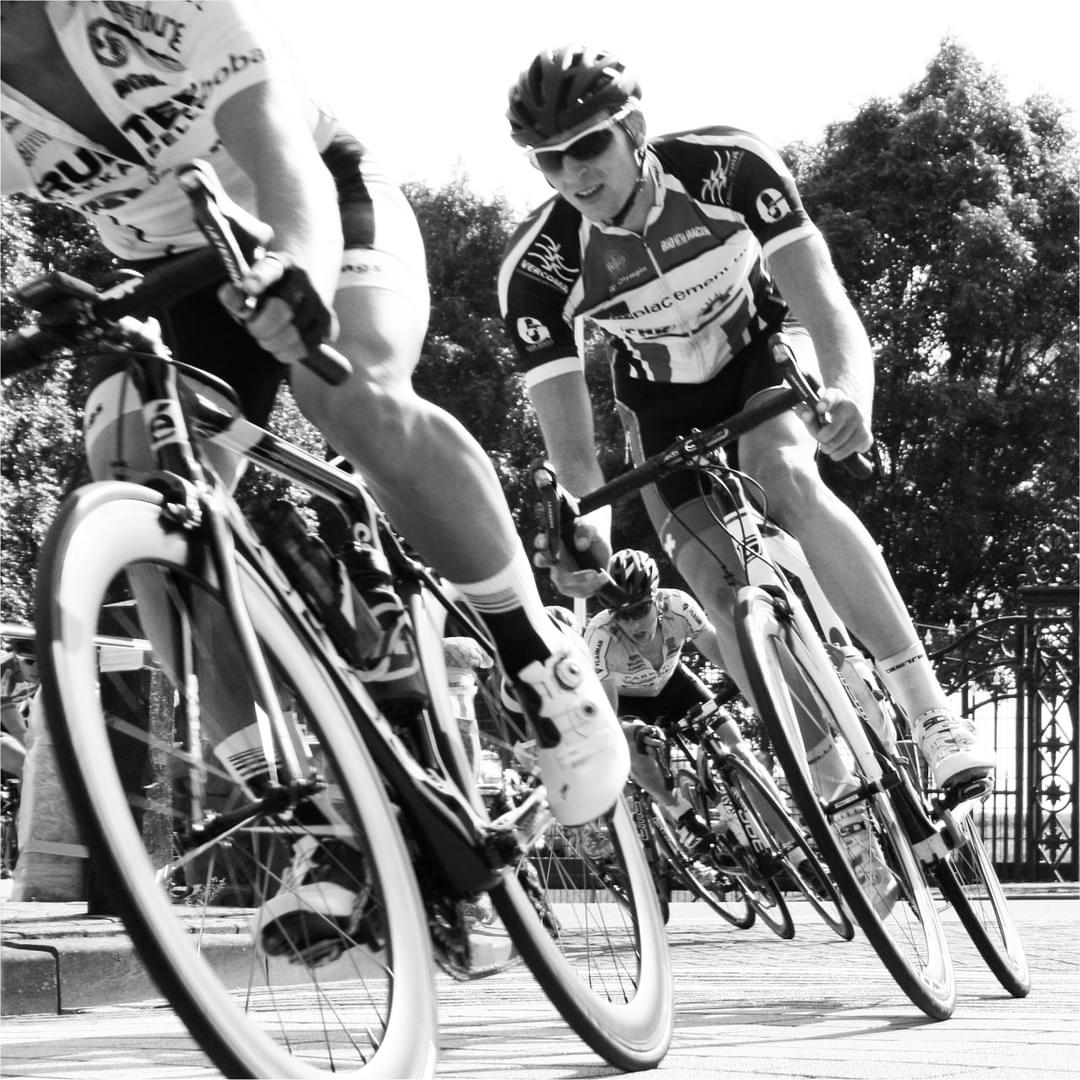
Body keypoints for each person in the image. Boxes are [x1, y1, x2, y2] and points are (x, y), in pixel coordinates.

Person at [1, 6, 628, 957]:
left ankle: (533, 652)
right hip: (166, 267)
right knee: (133, 478)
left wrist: (294, 269)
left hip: (316, 192)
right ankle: (324, 816)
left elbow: (275, 142)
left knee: (347, 388)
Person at [497, 45, 993, 807]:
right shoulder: (540, 268)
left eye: (588, 147)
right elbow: (572, 452)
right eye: (548, 161)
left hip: (765, 347)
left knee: (786, 474)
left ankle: (929, 714)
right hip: (661, 403)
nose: (572, 177)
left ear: (634, 128)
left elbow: (826, 306)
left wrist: (850, 394)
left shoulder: (726, 167)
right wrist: (584, 529)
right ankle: (833, 787)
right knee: (715, 589)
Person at [586, 549, 811, 869]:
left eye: (640, 609)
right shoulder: (600, 636)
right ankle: (679, 813)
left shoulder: (678, 606)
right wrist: (631, 733)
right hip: (628, 698)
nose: (634, 622)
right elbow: (609, 715)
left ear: (656, 600)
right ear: (611, 614)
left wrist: (753, 685)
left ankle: (795, 846)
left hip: (675, 684)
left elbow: (723, 656)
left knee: (737, 748)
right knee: (632, 744)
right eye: (623, 614)